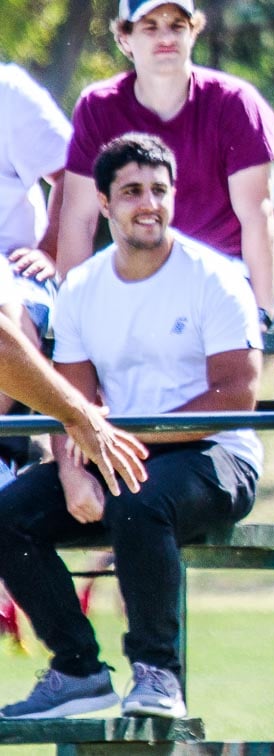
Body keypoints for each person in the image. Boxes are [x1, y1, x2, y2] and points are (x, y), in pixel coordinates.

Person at [0, 133, 262, 720]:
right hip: (109, 450)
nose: (149, 204)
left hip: (215, 455)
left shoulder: (215, 278)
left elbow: (236, 396)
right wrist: (71, 474)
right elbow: (70, 399)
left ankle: (157, 675)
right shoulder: (83, 287)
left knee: (136, 501)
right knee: (7, 514)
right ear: (103, 200)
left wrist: (114, 444)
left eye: (160, 191)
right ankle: (77, 670)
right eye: (133, 191)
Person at [57, 0, 274, 328]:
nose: (166, 36)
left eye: (177, 26)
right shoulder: (98, 106)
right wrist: (69, 309)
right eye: (150, 27)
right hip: (135, 271)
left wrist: (263, 313)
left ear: (193, 33)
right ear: (125, 38)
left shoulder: (236, 103)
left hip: (227, 271)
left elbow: (257, 214)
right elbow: (79, 216)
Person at [0, 62, 73, 478]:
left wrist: (50, 250)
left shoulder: (8, 91)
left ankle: (13, 453)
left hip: (14, 263)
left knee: (11, 323)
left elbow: (74, 170)